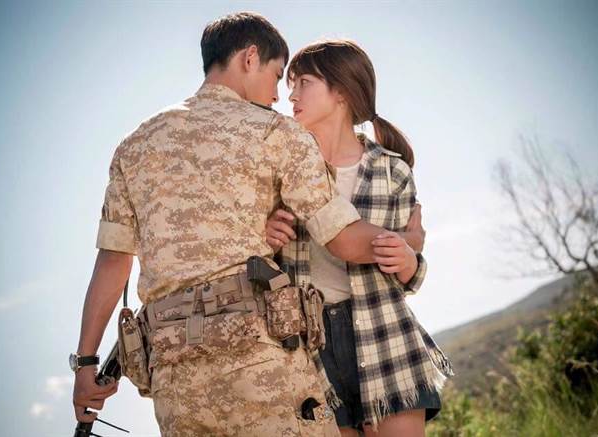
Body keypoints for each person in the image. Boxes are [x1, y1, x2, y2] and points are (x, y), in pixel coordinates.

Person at [71, 13, 426, 437]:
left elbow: (113, 263)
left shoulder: (134, 147)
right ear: (250, 57)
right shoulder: (276, 133)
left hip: (176, 382)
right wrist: (408, 241)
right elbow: (343, 239)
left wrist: (86, 362)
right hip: (264, 366)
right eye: (277, 76)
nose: (277, 95)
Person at [266, 39, 454, 437]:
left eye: (304, 83)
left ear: (341, 92)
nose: (292, 95)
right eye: (290, 85)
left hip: (384, 335)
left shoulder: (393, 172)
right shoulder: (283, 173)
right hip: (309, 351)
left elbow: (409, 274)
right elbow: (259, 263)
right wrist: (264, 238)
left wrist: (409, 260)